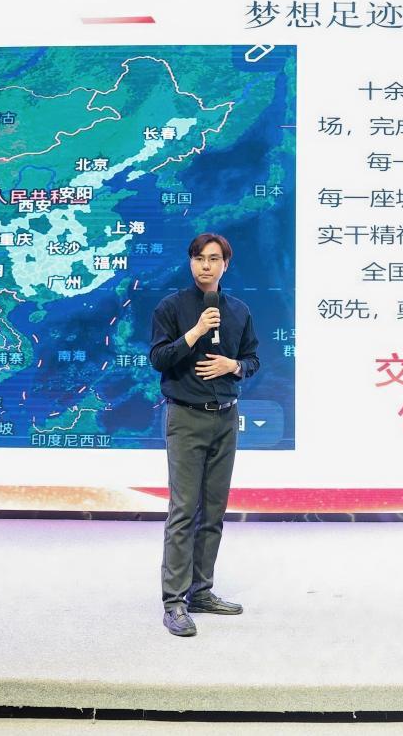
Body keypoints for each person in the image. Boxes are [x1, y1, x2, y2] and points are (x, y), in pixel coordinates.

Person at [148, 232, 259, 637]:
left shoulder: (239, 310)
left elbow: (253, 358)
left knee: (213, 511)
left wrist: (234, 366)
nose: (205, 265)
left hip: (226, 418)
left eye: (213, 259)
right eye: (198, 258)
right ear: (191, 263)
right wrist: (194, 333)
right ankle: (174, 602)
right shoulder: (171, 307)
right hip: (186, 417)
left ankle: (201, 591)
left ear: (225, 265)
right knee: (183, 511)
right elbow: (158, 358)